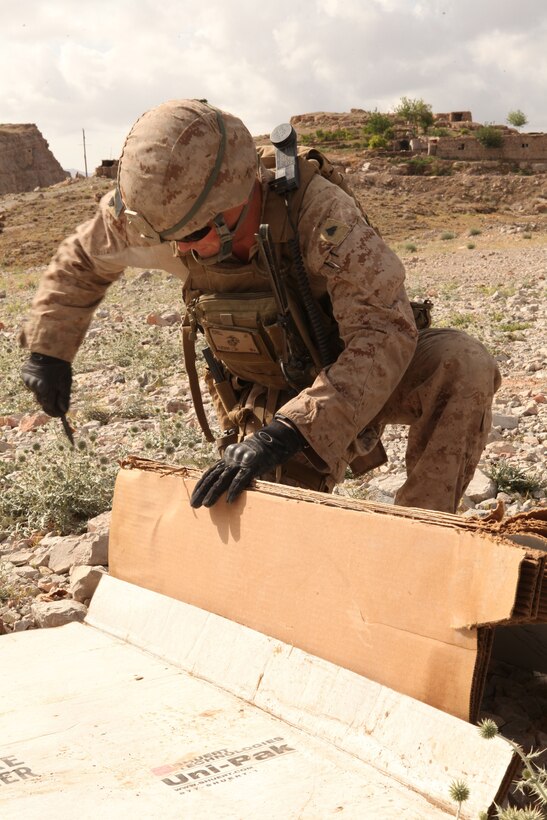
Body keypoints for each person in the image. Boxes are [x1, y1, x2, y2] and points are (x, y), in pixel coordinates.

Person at [20, 99, 501, 513]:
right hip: (268, 399)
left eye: (192, 237)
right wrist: (48, 350)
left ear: (237, 198)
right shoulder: (165, 214)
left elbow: (384, 333)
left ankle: (422, 536)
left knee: (463, 365)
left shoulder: (320, 213)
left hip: (355, 373)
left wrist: (292, 431)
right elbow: (82, 258)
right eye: (166, 240)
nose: (180, 252)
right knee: (272, 551)